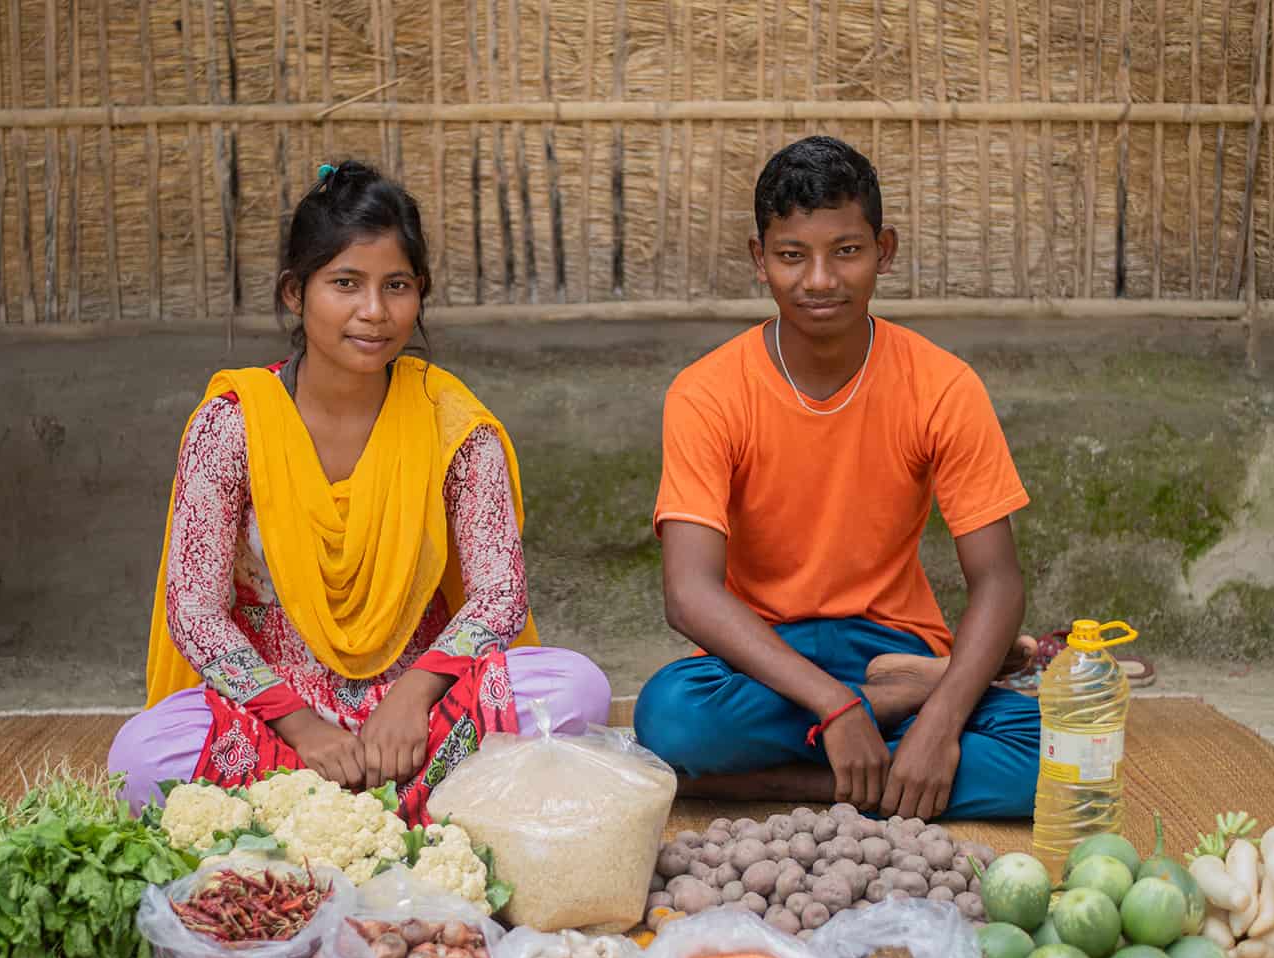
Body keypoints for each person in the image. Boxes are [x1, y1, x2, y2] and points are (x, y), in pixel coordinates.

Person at [109, 160, 610, 823]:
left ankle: (311, 812)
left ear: (420, 292)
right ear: (296, 293)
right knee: (139, 762)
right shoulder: (232, 426)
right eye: (345, 283)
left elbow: (499, 594)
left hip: (423, 708)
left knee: (577, 689)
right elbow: (194, 612)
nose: (373, 312)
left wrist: (413, 698)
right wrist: (301, 727)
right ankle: (427, 803)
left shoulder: (452, 422)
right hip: (276, 712)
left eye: (396, 285)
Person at [634, 136, 1040, 822]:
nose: (819, 279)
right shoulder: (706, 392)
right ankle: (882, 746)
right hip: (764, 665)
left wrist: (939, 727)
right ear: (759, 259)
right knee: (671, 716)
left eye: (845, 251)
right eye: (793, 255)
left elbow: (999, 582)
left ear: (885, 250)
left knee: (1046, 753)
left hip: (891, 646)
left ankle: (805, 773)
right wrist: (839, 704)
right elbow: (690, 594)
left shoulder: (942, 385)